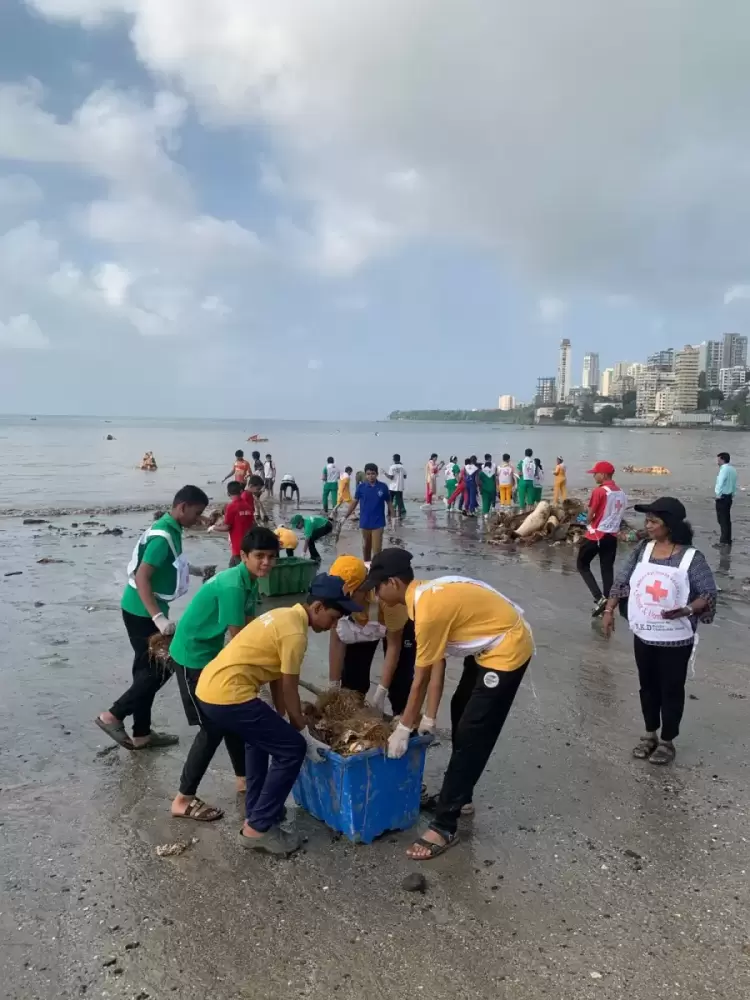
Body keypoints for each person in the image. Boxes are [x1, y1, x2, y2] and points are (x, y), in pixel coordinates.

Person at [362, 549, 534, 860]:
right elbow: (434, 662)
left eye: (377, 587)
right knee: (460, 708)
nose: (375, 594)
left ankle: (445, 825)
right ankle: (461, 795)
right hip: (486, 644)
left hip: (508, 648)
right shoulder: (424, 596)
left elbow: (421, 677)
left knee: (472, 730)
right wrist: (428, 716)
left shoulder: (427, 610)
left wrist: (403, 728)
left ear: (393, 583)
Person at [195, 574, 362, 854]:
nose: (334, 625)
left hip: (211, 689)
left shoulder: (284, 615)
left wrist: (282, 717)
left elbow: (275, 676)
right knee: (291, 749)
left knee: (259, 740)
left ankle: (258, 810)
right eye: (333, 618)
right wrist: (302, 733)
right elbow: (289, 686)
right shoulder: (295, 634)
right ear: (318, 607)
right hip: (228, 695)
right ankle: (257, 829)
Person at [168, 526, 279, 821]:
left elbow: (252, 624)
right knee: (212, 727)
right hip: (192, 656)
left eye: (271, 557)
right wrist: (263, 674)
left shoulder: (250, 580)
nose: (266, 562)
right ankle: (183, 799)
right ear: (243, 556)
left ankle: (242, 778)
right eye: (259, 556)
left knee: (230, 717)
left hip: (211, 655)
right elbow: (239, 638)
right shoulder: (232, 585)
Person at [602, 498, 717, 766]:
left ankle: (667, 741)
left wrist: (687, 610)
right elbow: (622, 581)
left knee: (672, 688)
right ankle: (649, 734)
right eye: (648, 520)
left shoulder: (691, 557)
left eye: (654, 521)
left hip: (676, 639)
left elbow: (708, 594)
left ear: (670, 526)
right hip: (644, 634)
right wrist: (609, 610)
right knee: (647, 686)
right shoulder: (643, 549)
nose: (648, 525)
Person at [95, 486, 209, 750]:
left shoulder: (171, 528)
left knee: (145, 671)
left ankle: (142, 734)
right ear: (182, 507)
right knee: (162, 668)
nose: (198, 519)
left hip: (141, 607)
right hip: (141, 611)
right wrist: (157, 617)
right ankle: (113, 715)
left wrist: (195, 570)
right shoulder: (162, 536)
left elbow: (170, 563)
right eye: (196, 513)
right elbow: (142, 576)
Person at [327, 555, 415, 715]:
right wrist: (333, 684)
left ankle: (403, 718)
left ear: (365, 586)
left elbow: (394, 646)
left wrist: (381, 690)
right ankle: (353, 714)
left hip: (392, 624)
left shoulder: (390, 597)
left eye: (351, 597)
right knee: (353, 681)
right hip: (359, 624)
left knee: (401, 679)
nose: (345, 603)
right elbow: (337, 639)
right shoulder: (335, 592)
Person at [577, 461, 627, 617]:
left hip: (596, 535)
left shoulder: (599, 491)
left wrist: (584, 519)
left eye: (595, 473)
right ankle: (608, 606)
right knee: (607, 569)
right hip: (612, 537)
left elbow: (590, 517)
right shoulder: (621, 492)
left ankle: (599, 598)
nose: (593, 476)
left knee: (582, 564)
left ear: (603, 475)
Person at [209, 476, 266, 566]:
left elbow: (227, 527)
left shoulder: (231, 506)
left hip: (237, 545)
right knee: (232, 567)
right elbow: (252, 523)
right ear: (241, 491)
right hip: (247, 543)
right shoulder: (247, 505)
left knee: (240, 571)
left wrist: (213, 527)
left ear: (228, 493)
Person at [342, 463, 394, 561]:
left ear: (377, 474)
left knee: (377, 550)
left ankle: (377, 571)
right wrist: (345, 516)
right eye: (368, 474)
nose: (371, 476)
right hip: (364, 523)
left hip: (378, 523)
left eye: (373, 474)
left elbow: (389, 503)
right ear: (365, 475)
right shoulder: (361, 488)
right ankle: (366, 571)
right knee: (366, 549)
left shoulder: (383, 487)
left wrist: (394, 519)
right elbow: (354, 503)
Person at [715, 452, 737, 546]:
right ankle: (728, 540)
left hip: (722, 497)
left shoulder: (723, 469)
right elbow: (734, 483)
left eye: (718, 459)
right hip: (729, 497)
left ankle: (723, 542)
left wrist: (718, 495)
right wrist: (733, 494)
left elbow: (720, 482)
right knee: (727, 519)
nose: (717, 461)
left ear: (722, 459)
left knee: (722, 519)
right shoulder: (732, 469)